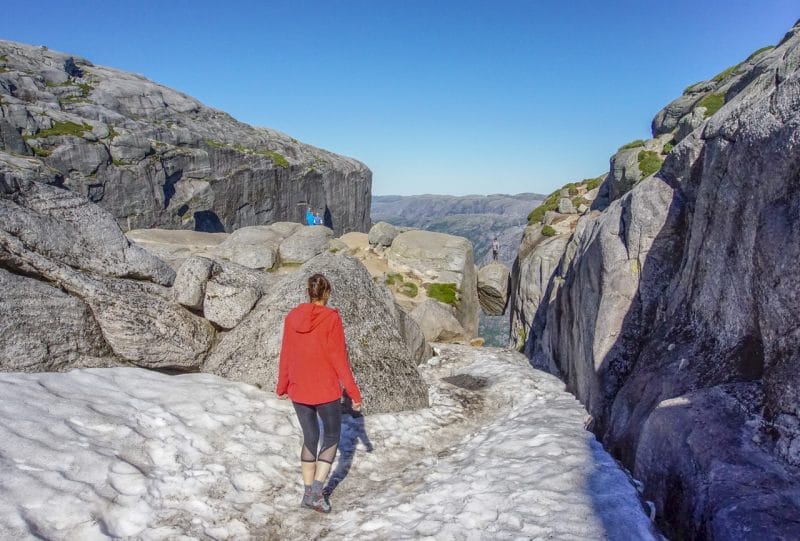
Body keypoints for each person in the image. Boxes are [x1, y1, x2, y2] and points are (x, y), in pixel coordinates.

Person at [276, 274, 363, 513]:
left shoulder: (291, 317)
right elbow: (339, 359)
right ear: (326, 293)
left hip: (299, 389)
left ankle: (307, 493)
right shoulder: (331, 318)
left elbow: (287, 353)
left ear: (308, 292)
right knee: (332, 437)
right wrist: (354, 393)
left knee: (310, 438)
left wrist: (282, 386)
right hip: (325, 389)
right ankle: (316, 494)